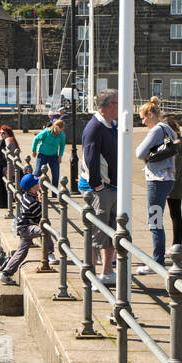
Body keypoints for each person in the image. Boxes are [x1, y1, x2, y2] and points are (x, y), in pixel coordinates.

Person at [79, 89, 118, 288]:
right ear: (109, 106)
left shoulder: (111, 126)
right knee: (97, 232)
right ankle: (91, 274)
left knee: (110, 230)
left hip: (111, 186)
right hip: (99, 189)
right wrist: (97, 185)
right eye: (118, 104)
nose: (121, 108)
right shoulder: (95, 127)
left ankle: (107, 272)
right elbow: (90, 157)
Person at [136, 98, 177, 266]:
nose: (143, 122)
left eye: (144, 118)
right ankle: (158, 259)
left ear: (151, 115)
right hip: (168, 178)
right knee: (157, 219)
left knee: (154, 221)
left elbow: (139, 152)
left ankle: (157, 261)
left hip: (156, 179)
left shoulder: (155, 131)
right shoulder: (168, 128)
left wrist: (146, 156)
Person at [0, 173, 42, 285]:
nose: (39, 184)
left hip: (23, 227)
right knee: (45, 231)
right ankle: (50, 253)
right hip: (27, 228)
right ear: (33, 187)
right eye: (37, 183)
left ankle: (5, 273)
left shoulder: (28, 196)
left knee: (21, 252)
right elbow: (39, 215)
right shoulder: (31, 201)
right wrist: (41, 202)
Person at [163, 117, 182, 256]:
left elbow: (174, 167)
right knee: (175, 214)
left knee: (175, 215)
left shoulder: (177, 145)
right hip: (178, 182)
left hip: (173, 183)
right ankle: (176, 244)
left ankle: (176, 244)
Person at [31, 118, 65, 188]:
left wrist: (60, 156)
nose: (59, 133)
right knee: (37, 173)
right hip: (42, 155)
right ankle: (34, 190)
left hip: (53, 156)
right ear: (54, 127)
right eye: (58, 130)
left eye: (60, 131)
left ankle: (54, 193)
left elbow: (62, 145)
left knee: (56, 174)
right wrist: (34, 150)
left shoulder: (61, 135)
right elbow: (36, 139)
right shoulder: (46, 132)